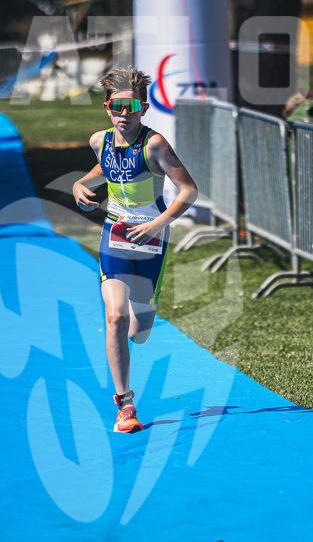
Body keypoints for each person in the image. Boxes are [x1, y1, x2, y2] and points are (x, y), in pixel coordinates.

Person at [72, 66, 198, 434]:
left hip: (151, 243)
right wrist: (80, 184)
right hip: (114, 236)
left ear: (143, 108)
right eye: (117, 107)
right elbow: (106, 167)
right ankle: (125, 404)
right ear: (107, 108)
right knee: (115, 317)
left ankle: (138, 309)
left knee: (138, 332)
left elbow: (189, 190)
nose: (124, 114)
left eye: (131, 107)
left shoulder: (154, 144)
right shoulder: (99, 140)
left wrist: (158, 224)